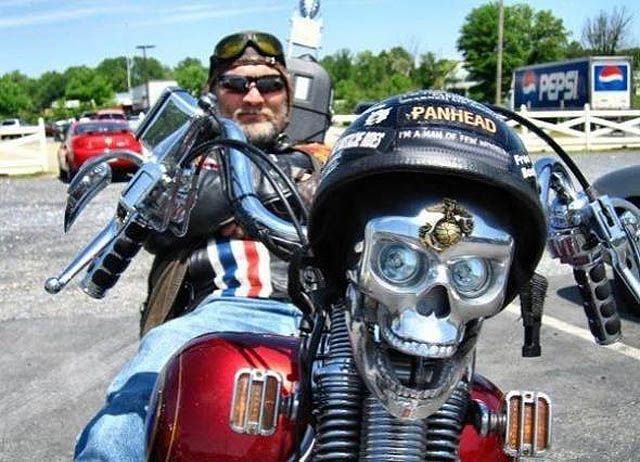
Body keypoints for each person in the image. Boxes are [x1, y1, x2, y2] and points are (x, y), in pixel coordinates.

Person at [74, 31, 327, 461]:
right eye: (235, 84)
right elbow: (157, 222)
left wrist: (232, 202)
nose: (253, 97)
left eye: (269, 85)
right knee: (118, 432)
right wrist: (290, 191)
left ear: (288, 97)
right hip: (218, 313)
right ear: (212, 93)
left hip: (329, 316)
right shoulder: (185, 161)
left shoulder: (324, 155)